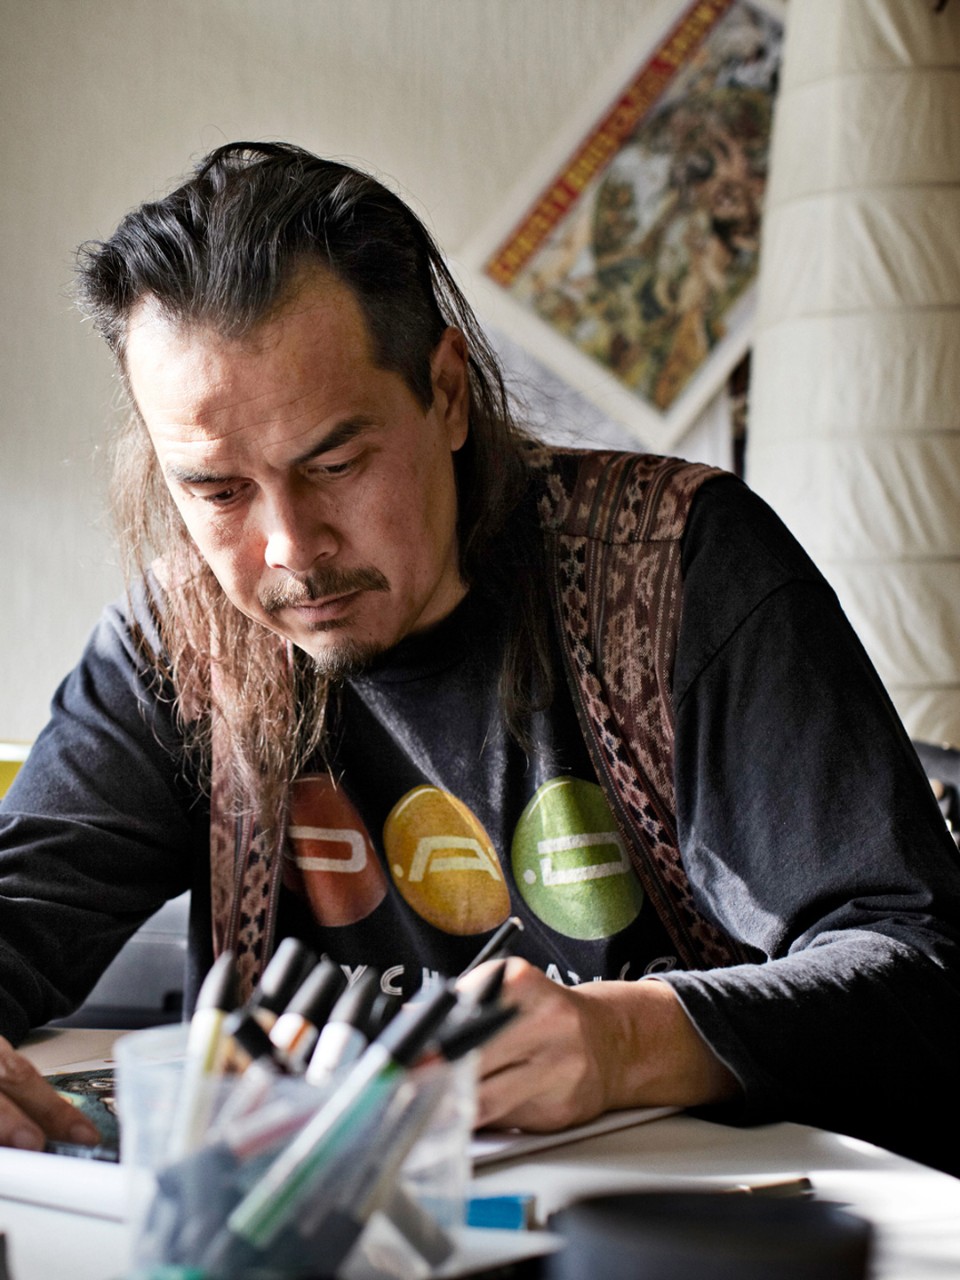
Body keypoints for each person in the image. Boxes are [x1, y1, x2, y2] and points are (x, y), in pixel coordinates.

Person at [1, 141, 959, 1171]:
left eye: (336, 463)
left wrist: (627, 1041)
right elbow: (21, 914)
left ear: (448, 392)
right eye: (217, 490)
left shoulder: (684, 566)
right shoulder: (181, 640)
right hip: (310, 1226)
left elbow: (924, 973)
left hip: (683, 1221)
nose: (290, 549)